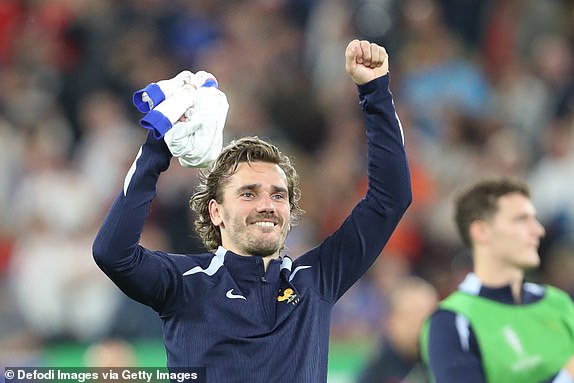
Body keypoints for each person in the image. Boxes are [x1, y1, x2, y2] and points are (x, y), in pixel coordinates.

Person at [92, 39, 411, 382]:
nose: (266, 205)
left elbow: (390, 198)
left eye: (278, 195)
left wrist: (375, 91)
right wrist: (158, 146)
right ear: (216, 211)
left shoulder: (315, 279)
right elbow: (113, 254)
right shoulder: (185, 283)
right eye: (248, 193)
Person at [420, 177, 574, 383]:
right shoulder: (452, 321)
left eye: (534, 219)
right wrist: (565, 378)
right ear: (481, 231)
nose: (538, 230)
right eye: (521, 219)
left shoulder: (559, 303)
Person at [357, 276, 438, 383]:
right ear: (391, 320)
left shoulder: (444, 362)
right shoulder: (378, 369)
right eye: (412, 315)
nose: (421, 323)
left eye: (429, 315)